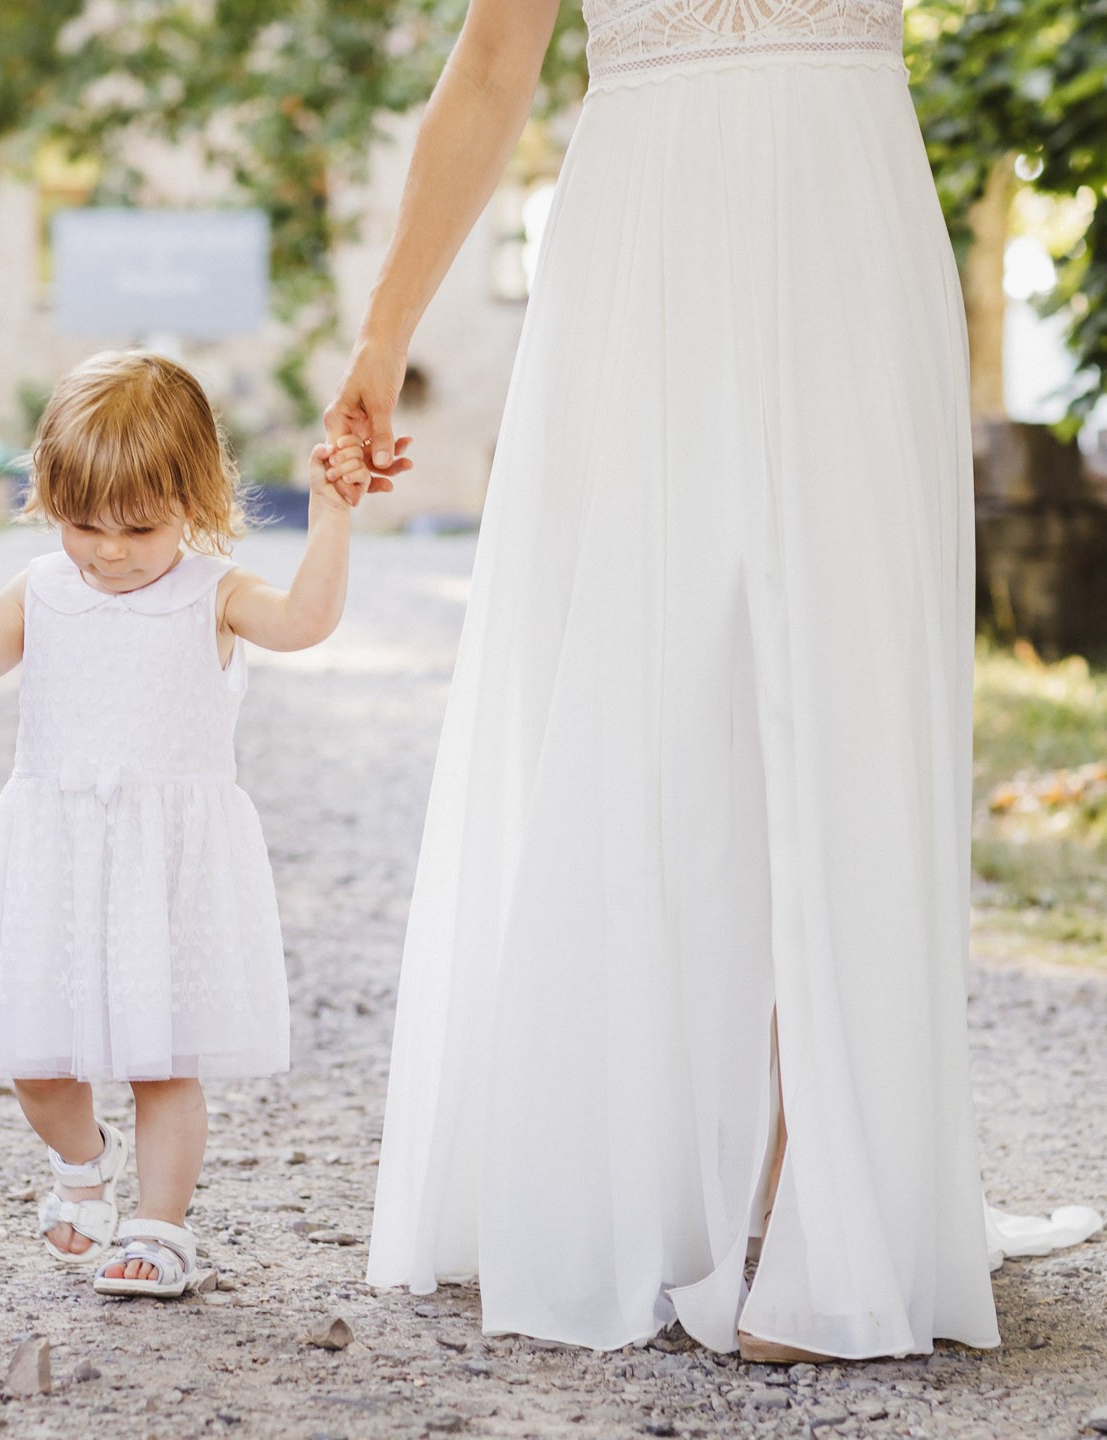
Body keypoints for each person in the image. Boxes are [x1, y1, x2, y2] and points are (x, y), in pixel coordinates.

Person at [328, 0, 1101, 1362]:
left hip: (845, 215)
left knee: (847, 676)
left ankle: (829, 1204)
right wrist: (386, 330)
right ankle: (640, 1176)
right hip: (649, 233)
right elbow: (497, 55)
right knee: (644, 678)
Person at [0, 351, 369, 1296]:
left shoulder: (210, 592)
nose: (107, 549)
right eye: (82, 521)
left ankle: (158, 1224)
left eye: (138, 525)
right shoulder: (43, 590)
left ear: (197, 497)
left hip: (164, 870)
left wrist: (333, 511)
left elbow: (304, 621)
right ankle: (79, 1167)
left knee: (162, 1061)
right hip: (57, 861)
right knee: (36, 1060)